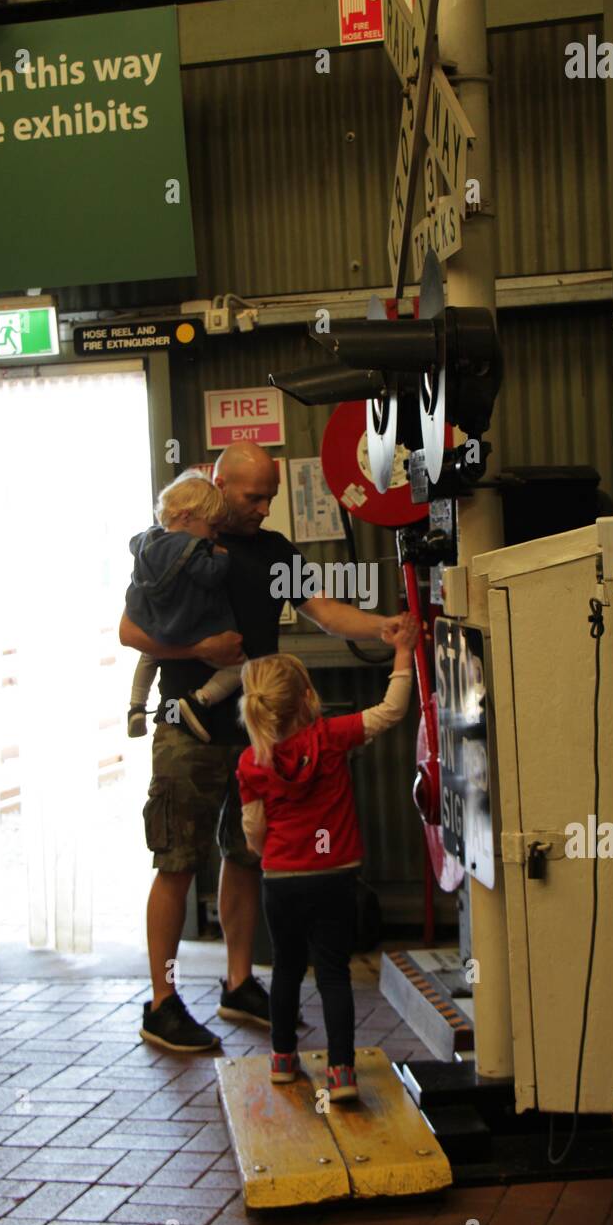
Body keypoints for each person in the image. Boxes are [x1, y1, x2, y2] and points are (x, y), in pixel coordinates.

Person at [118, 441, 405, 1054]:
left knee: (245, 855)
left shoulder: (274, 551)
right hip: (185, 730)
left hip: (252, 733)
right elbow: (129, 631)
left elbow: (323, 610)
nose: (264, 508)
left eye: (271, 496)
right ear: (220, 485)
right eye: (254, 497)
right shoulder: (173, 544)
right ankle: (162, 1002)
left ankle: (239, 980)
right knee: (176, 863)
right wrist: (199, 653)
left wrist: (381, 628)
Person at [237, 616, 418, 1101]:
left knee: (286, 969)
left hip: (280, 878)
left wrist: (268, 855)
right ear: (306, 698)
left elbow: (253, 829)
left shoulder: (252, 761)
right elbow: (391, 710)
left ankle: (281, 1058)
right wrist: (403, 650)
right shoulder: (332, 737)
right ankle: (341, 1073)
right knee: (334, 972)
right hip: (335, 876)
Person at [125, 474, 248, 743]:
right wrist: (219, 556)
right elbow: (209, 575)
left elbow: (131, 612)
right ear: (187, 516)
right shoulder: (191, 547)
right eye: (212, 526)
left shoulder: (146, 544)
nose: (215, 534)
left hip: (158, 630)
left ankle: (136, 706)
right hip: (192, 629)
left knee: (148, 657)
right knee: (242, 668)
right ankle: (199, 701)